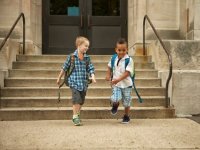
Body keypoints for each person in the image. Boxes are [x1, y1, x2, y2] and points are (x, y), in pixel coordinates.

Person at [57, 36, 96, 126]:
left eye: (88, 46)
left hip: (83, 83)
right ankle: (75, 117)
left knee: (81, 100)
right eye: (85, 46)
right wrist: (59, 77)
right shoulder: (71, 57)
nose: (87, 48)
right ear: (79, 45)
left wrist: (93, 76)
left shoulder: (87, 58)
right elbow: (64, 68)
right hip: (74, 82)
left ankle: (77, 115)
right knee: (76, 99)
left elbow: (91, 68)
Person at [105, 38, 134, 124]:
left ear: (127, 50)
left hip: (126, 84)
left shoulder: (129, 60)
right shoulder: (113, 58)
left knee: (126, 102)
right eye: (119, 50)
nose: (121, 52)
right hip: (116, 84)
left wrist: (118, 79)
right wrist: (108, 74)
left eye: (124, 50)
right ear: (116, 50)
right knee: (116, 98)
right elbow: (109, 67)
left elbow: (127, 73)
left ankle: (126, 116)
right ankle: (115, 104)